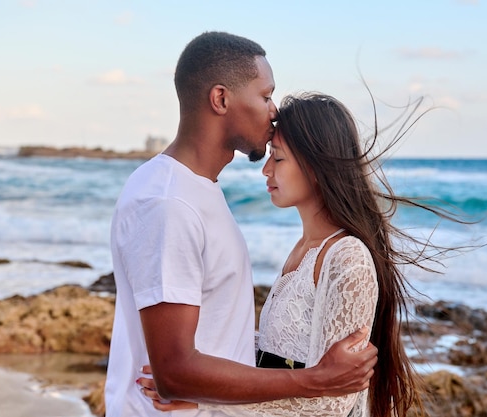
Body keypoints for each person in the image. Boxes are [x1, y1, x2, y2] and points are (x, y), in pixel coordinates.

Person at [104, 32, 378, 417]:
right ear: (221, 99)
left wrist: (209, 394)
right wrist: (314, 380)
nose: (273, 111)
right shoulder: (169, 203)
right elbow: (175, 372)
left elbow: (222, 338)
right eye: (265, 96)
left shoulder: (200, 193)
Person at [138, 92, 452, 416]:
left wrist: (204, 398)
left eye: (279, 157)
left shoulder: (348, 259)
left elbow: (332, 403)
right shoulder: (303, 251)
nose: (266, 170)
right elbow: (278, 356)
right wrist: (193, 375)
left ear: (316, 166)